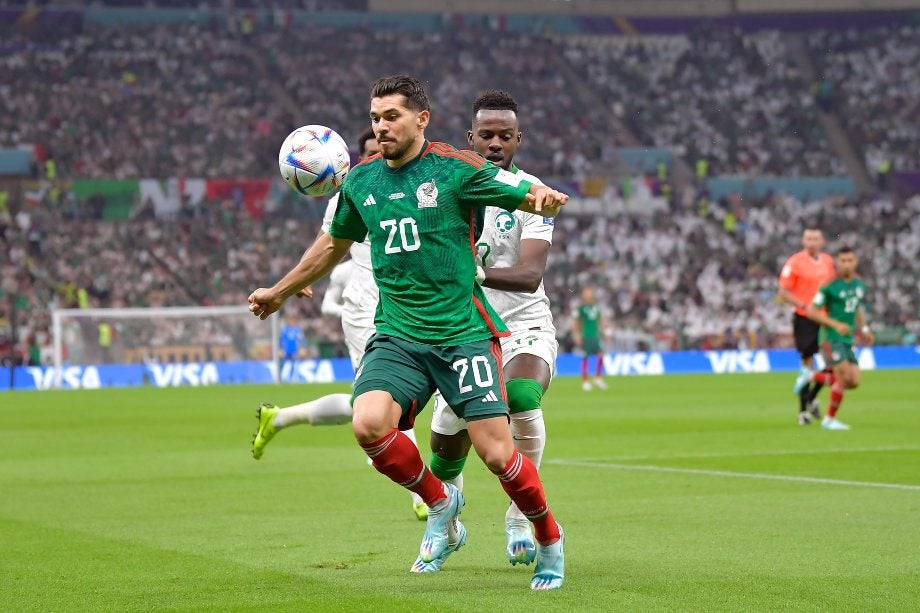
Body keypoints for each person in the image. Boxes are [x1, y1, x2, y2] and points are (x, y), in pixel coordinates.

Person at [248, 75, 567, 590]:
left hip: (462, 332)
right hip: (398, 335)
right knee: (368, 423)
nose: (381, 126)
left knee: (495, 454)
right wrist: (281, 289)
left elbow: (518, 190)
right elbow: (330, 247)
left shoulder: (454, 168)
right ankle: (442, 503)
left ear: (421, 119)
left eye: (391, 116)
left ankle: (548, 536)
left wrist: (543, 197)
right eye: (375, 118)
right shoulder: (360, 182)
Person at [251, 129, 430, 522]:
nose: (374, 157)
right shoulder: (349, 196)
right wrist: (296, 282)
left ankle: (279, 418)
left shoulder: (412, 185)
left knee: (361, 404)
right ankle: (426, 495)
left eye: (377, 151)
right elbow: (326, 243)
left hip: (411, 304)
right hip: (366, 308)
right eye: (366, 153)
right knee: (388, 403)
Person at [421, 90, 557, 572]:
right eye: (486, 134)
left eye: (505, 135)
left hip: (523, 323)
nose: (495, 142)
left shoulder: (531, 194)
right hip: (462, 329)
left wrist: (472, 273)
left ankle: (521, 513)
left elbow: (530, 275)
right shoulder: (441, 189)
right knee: (444, 444)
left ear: (518, 139)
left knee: (520, 395)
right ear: (470, 137)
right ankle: (448, 524)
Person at [794, 247, 872, 430]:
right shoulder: (829, 286)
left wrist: (865, 328)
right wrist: (834, 324)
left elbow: (856, 307)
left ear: (855, 262)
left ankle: (810, 375)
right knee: (843, 378)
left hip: (847, 339)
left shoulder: (859, 285)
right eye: (843, 260)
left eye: (850, 260)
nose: (846, 264)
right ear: (837, 262)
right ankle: (829, 419)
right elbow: (812, 311)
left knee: (853, 382)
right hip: (830, 338)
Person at [778, 228, 836, 425]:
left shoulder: (828, 262)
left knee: (833, 363)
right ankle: (803, 411)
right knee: (807, 365)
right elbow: (784, 291)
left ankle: (811, 397)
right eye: (808, 238)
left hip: (826, 317)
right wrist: (802, 305)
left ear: (823, 242)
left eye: (815, 239)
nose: (811, 242)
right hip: (804, 318)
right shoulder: (795, 262)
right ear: (803, 241)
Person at [573, 286, 607, 391]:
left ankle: (598, 378)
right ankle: (585, 381)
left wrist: (604, 332)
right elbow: (576, 323)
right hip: (585, 336)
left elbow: (601, 321)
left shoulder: (597, 308)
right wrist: (577, 335)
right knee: (585, 358)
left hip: (595, 336)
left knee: (601, 356)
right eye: (586, 292)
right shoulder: (580, 309)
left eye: (589, 292)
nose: (588, 294)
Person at [278, 314, 304, 382]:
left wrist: (302, 348)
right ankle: (280, 378)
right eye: (290, 320)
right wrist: (281, 349)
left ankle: (294, 379)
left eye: (292, 320)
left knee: (295, 364)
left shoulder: (297, 330)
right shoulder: (285, 330)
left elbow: (301, 340)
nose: (291, 321)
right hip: (286, 350)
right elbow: (282, 340)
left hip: (294, 350)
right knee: (283, 363)